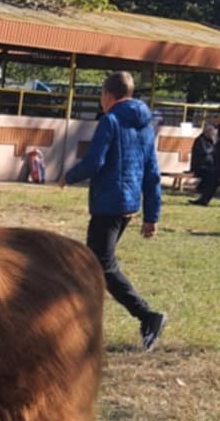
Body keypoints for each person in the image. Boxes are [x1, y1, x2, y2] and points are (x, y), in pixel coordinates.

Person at [61, 70, 165, 351]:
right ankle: (79, 323)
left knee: (100, 266)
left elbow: (95, 161)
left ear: (108, 95)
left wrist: (68, 176)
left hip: (109, 203)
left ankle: (147, 316)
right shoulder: (144, 125)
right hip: (128, 206)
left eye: (100, 96)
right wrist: (151, 215)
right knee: (95, 265)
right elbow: (152, 172)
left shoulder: (110, 120)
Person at [189, 121, 219, 205]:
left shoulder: (211, 141)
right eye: (210, 131)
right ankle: (202, 193)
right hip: (200, 167)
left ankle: (203, 197)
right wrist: (214, 146)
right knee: (213, 174)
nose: (212, 133)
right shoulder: (200, 140)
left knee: (214, 174)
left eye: (213, 131)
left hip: (210, 167)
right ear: (205, 131)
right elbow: (205, 152)